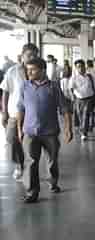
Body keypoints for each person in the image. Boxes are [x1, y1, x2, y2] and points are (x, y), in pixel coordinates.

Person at [16, 57, 73, 203]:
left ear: (42, 70)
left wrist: (68, 129)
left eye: (33, 69)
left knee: (52, 161)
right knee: (31, 162)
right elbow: (20, 109)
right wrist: (19, 128)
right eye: (27, 70)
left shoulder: (53, 87)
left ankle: (53, 182)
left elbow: (65, 109)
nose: (29, 72)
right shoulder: (24, 86)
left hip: (50, 133)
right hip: (30, 132)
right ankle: (31, 192)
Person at [1, 43, 39, 180]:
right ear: (22, 56)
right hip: (14, 114)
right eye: (29, 55)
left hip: (32, 115)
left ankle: (31, 169)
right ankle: (19, 164)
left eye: (34, 55)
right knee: (12, 139)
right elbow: (5, 91)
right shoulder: (13, 71)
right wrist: (4, 112)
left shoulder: (38, 72)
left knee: (31, 143)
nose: (32, 57)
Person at [70, 59, 95, 141]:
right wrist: (73, 98)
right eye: (78, 67)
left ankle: (84, 133)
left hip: (89, 98)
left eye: (82, 66)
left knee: (86, 115)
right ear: (76, 68)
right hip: (79, 99)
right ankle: (83, 129)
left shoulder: (90, 76)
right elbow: (71, 88)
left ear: (85, 67)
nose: (81, 68)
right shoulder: (74, 78)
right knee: (80, 115)